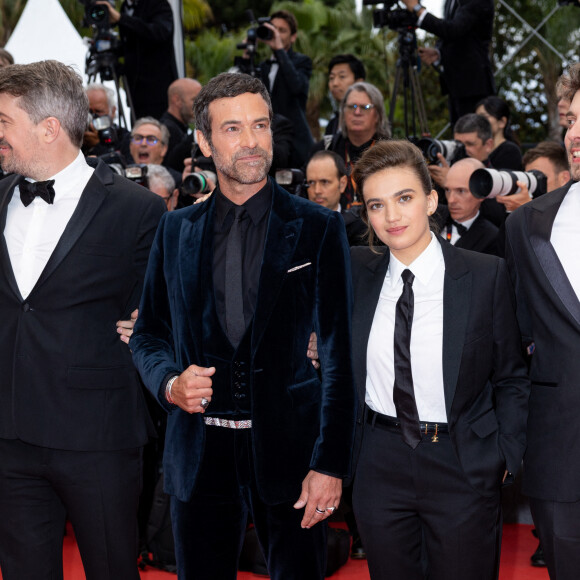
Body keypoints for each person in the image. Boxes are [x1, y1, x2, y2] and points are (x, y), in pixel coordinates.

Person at [129, 72, 356, 580]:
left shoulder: (318, 227)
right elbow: (148, 336)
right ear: (206, 142)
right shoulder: (174, 230)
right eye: (232, 129)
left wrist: (331, 464)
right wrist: (169, 382)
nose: (251, 141)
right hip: (199, 454)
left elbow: (341, 359)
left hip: (294, 457)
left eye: (260, 125)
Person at [0, 59, 166, 579]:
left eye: (3, 122)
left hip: (99, 438)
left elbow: (161, 315)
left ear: (48, 128)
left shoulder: (137, 210)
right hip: (9, 435)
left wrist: (150, 324)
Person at [349, 139, 529, 579]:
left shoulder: (485, 275)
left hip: (462, 461)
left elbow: (511, 377)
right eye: (377, 204)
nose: (391, 216)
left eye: (404, 198)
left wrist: (503, 457)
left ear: (431, 200)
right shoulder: (353, 272)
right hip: (378, 462)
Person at [503, 62, 580, 580]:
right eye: (570, 119)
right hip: (560, 455)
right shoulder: (525, 225)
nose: (574, 134)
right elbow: (513, 340)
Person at [401, 0, 495, 124]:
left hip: (473, 85)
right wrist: (439, 52)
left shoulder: (476, 2)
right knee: (459, 135)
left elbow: (453, 30)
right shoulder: (451, 2)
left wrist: (417, 8)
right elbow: (457, 36)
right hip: (455, 84)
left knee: (473, 135)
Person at [240, 9, 313, 167]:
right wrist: (248, 53)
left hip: (295, 143)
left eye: (282, 30)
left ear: (293, 37)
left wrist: (280, 50)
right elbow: (242, 91)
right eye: (273, 29)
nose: (276, 34)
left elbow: (296, 86)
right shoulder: (263, 66)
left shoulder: (302, 61)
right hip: (268, 139)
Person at [313, 81, 391, 208]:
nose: (357, 112)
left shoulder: (392, 152)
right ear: (343, 114)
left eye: (365, 107)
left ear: (377, 115)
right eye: (352, 107)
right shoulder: (325, 150)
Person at [97, 0, 178, 119]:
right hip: (135, 92)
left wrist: (121, 19)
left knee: (155, 131)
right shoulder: (126, 6)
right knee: (137, 130)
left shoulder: (159, 5)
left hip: (157, 91)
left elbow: (158, 33)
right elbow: (132, 46)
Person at [439, 157, 499, 254]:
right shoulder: (429, 215)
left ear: (481, 194)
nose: (451, 200)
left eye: (461, 191)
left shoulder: (492, 238)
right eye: (447, 190)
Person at [83, 82, 130, 158]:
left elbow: (122, 166)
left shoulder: (124, 138)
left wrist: (96, 146)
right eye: (88, 111)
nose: (93, 116)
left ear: (113, 111)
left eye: (98, 111)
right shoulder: (75, 137)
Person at [476, 95, 523, 171]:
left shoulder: (510, 151)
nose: (478, 122)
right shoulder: (475, 148)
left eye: (484, 117)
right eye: (476, 118)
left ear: (502, 122)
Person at [326, 54, 366, 138]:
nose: (335, 83)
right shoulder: (332, 124)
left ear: (359, 82)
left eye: (342, 76)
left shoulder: (368, 119)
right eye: (331, 78)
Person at [159, 78, 202, 157]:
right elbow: (173, 163)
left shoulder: (178, 127)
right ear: (177, 100)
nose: (200, 105)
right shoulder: (166, 129)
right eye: (194, 100)